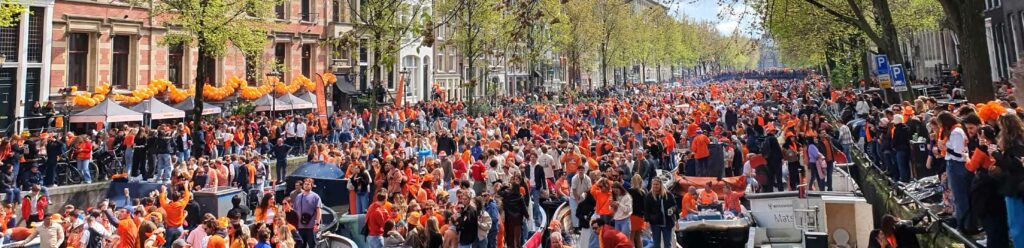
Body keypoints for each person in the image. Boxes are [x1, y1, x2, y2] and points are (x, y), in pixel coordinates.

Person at [643, 179, 676, 248]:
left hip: (667, 222)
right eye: (654, 184)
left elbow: (675, 205)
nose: (655, 186)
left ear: (661, 185)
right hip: (655, 223)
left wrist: (672, 210)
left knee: (667, 244)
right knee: (656, 244)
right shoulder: (649, 196)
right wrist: (647, 221)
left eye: (657, 184)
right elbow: (646, 209)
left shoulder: (668, 194)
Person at [291, 178, 321, 248]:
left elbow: (318, 211)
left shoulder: (315, 197)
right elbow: (295, 211)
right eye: (305, 184)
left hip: (311, 227)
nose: (306, 185)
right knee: (300, 245)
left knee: (312, 245)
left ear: (311, 186)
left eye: (308, 184)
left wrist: (317, 224)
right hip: (300, 227)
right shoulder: (298, 196)